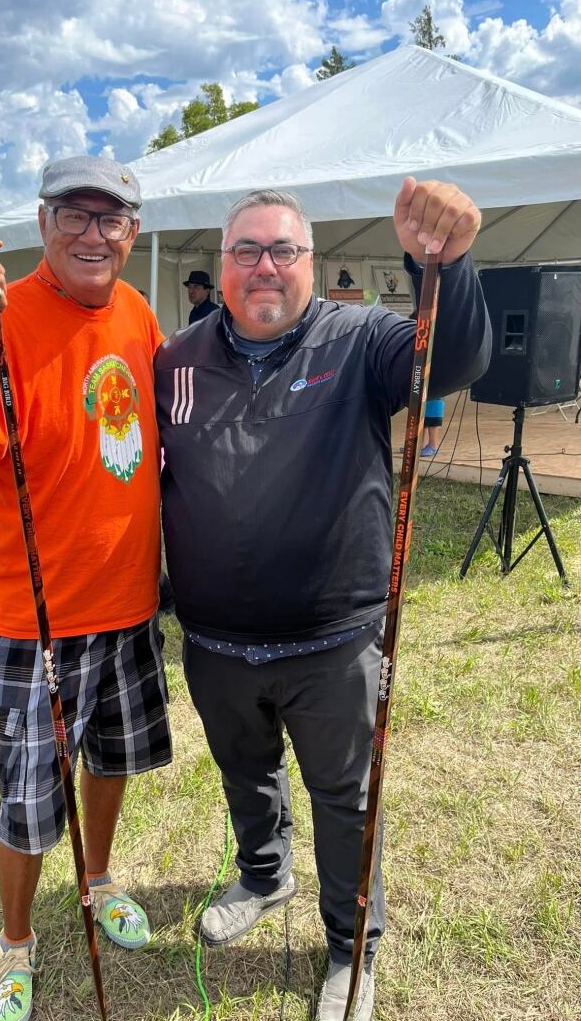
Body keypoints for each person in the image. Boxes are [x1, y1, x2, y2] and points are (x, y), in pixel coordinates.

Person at [155, 178, 491, 1021]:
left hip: (332, 642)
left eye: (283, 250)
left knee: (346, 799)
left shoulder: (363, 340)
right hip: (215, 640)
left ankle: (351, 948)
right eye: (245, 251)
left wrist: (447, 266)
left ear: (311, 261)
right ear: (220, 266)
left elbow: (447, 362)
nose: (264, 267)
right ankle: (264, 876)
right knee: (245, 772)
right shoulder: (176, 360)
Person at [0, 155, 172, 1021]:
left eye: (112, 219)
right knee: (26, 798)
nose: (94, 234)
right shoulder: (0, 319)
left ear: (133, 232)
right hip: (36, 622)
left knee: (113, 759)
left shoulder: (138, 312)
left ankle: (96, 881)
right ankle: (14, 939)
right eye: (76, 215)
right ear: (43, 220)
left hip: (130, 603)